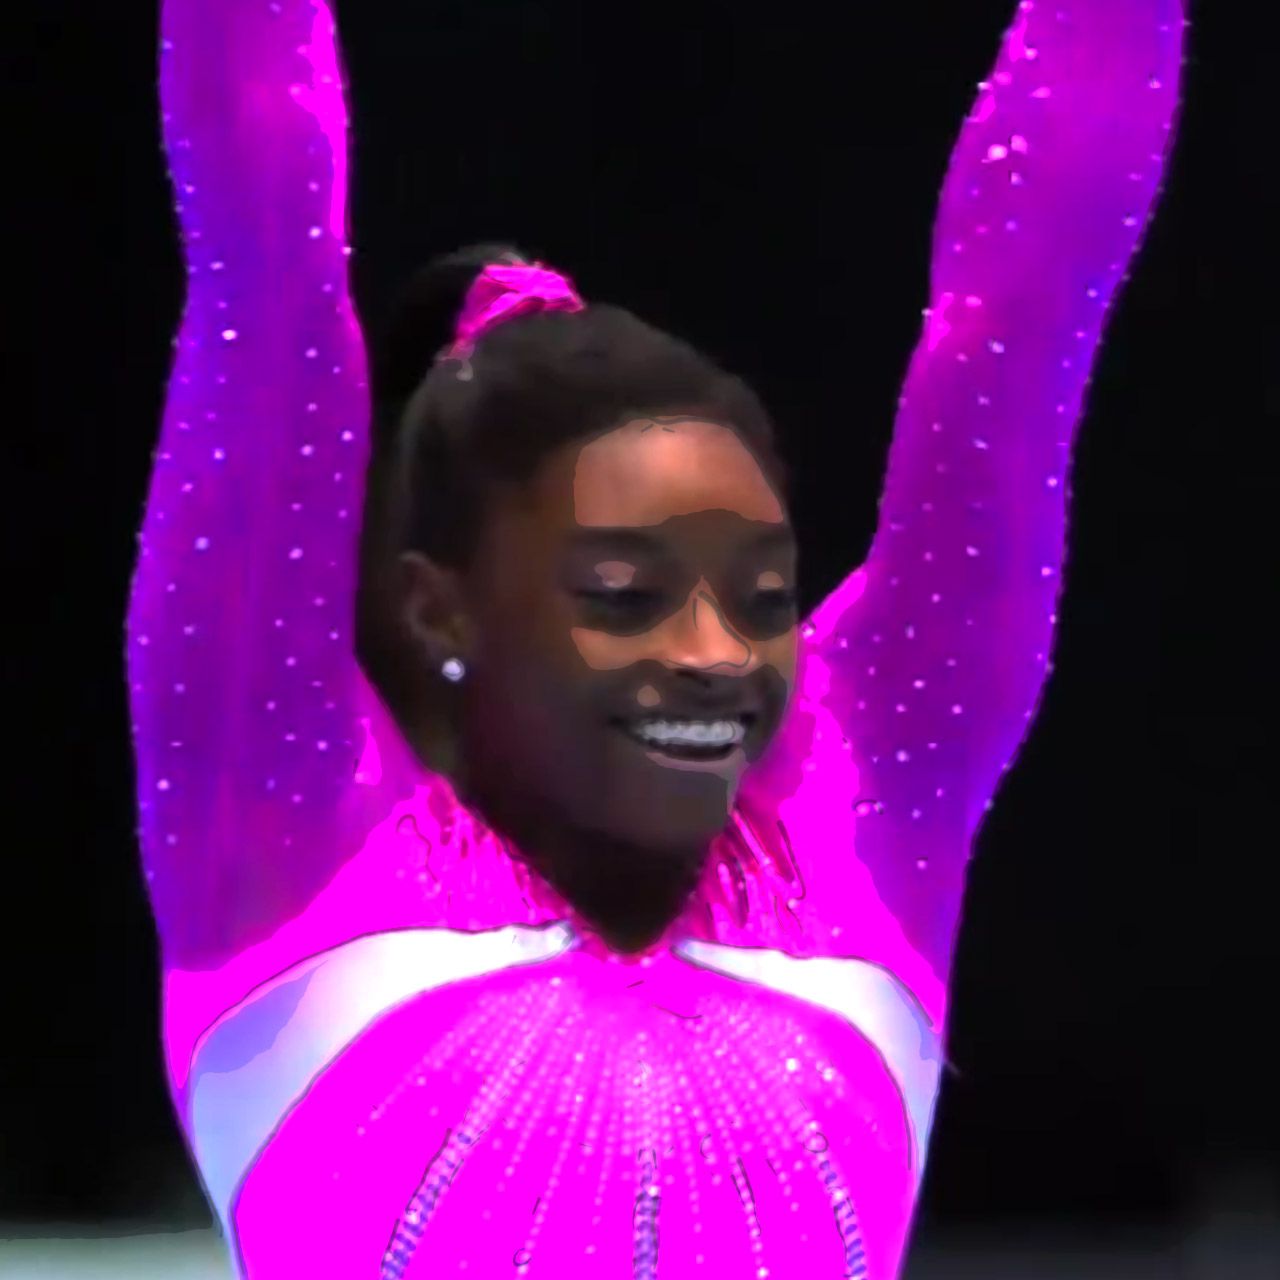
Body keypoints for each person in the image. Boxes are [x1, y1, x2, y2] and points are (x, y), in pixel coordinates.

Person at [129, 1, 1183, 1277]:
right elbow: (265, 250)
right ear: (441, 606)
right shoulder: (283, 826)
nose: (715, 655)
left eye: (759, 594)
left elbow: (1020, 319)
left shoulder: (863, 806)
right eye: (622, 595)